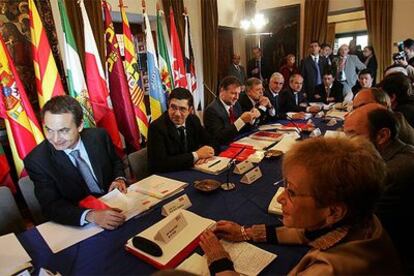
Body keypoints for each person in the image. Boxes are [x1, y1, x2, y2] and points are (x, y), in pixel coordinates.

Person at [199, 136, 402, 275]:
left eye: (292, 192)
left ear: (334, 211)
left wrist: (219, 260)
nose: (280, 199)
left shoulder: (327, 270)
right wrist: (244, 232)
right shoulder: (357, 219)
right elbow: (305, 233)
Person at [24, 96, 127, 229]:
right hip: (81, 223)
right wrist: (92, 215)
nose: (55, 139)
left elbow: (115, 162)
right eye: (49, 130)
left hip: (117, 203)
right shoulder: (37, 160)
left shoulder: (99, 136)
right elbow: (51, 206)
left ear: (80, 126)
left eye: (63, 130)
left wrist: (119, 179)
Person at [344, 103, 414, 273]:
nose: (346, 145)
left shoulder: (390, 173)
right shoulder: (399, 152)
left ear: (382, 136)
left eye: (353, 135)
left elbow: (353, 226)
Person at [147, 88, 215, 173]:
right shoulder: (156, 128)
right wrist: (196, 155)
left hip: (191, 170)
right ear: (168, 105)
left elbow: (211, 141)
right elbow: (160, 164)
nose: (177, 114)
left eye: (182, 109)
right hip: (169, 176)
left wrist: (207, 154)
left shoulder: (193, 120)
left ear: (190, 110)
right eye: (173, 107)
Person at [204, 76, 260, 146]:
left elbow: (242, 130)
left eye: (238, 94)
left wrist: (251, 118)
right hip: (221, 149)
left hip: (238, 143)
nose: (237, 97)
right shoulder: (212, 110)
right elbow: (220, 138)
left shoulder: (236, 105)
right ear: (222, 91)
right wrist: (241, 121)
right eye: (233, 93)